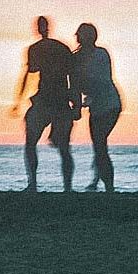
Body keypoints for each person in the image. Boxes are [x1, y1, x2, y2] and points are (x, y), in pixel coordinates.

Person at [11, 16, 81, 192]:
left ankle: (50, 185)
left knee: (57, 146)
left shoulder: (40, 49)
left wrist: (77, 103)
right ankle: (44, 185)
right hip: (51, 100)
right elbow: (72, 77)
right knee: (50, 146)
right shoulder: (55, 48)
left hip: (54, 101)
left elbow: (29, 74)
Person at [72, 23, 122, 193]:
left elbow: (96, 80)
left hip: (109, 104)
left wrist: (79, 103)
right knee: (99, 145)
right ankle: (98, 181)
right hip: (97, 105)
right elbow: (77, 84)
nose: (77, 37)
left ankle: (108, 186)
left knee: (100, 145)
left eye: (79, 34)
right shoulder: (77, 57)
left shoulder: (100, 54)